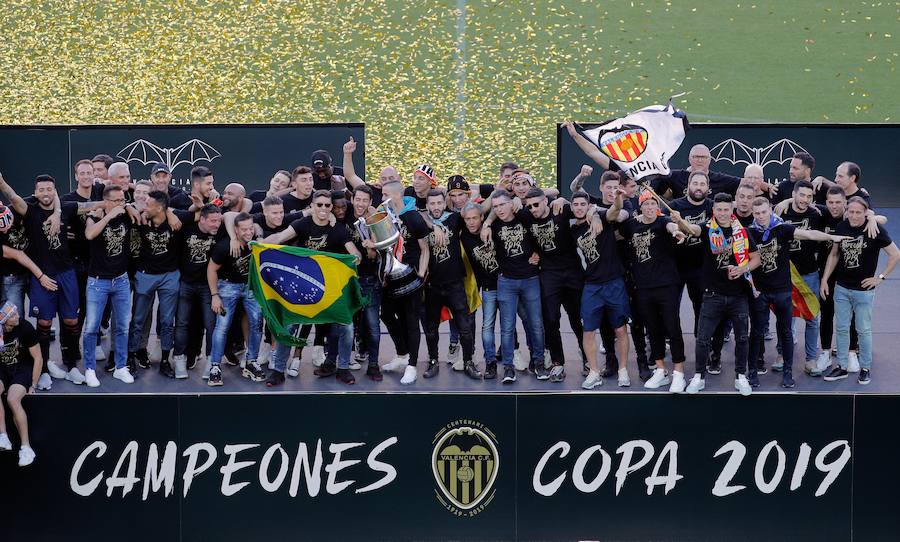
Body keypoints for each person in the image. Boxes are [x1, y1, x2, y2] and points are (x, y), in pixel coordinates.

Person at [1, 173, 103, 388]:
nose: (45, 193)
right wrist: (1, 183)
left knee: (71, 321)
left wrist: (122, 204)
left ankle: (72, 365)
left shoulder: (65, 207)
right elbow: (14, 198)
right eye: (41, 190)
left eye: (50, 189)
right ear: (35, 192)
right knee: (45, 323)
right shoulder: (30, 211)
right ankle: (45, 367)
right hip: (42, 275)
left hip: (67, 273)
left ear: (55, 191)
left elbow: (94, 204)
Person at [747, 197, 848, 389]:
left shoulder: (783, 229)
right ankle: (752, 372)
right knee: (756, 333)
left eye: (763, 212)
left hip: (783, 291)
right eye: (757, 213)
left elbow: (809, 235)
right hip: (760, 293)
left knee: (786, 332)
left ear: (771, 211)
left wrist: (832, 237)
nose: (760, 217)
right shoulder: (749, 232)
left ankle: (787, 373)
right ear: (753, 214)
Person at [262, 191, 362, 385]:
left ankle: (343, 368)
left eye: (327, 205)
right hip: (303, 288)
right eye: (319, 205)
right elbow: (280, 237)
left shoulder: (339, 229)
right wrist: (258, 244)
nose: (323, 209)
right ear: (313, 206)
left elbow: (355, 254)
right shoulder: (302, 224)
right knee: (289, 324)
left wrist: (355, 258)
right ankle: (278, 370)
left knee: (347, 327)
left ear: (331, 208)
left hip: (331, 290)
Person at [672, 192, 761, 396]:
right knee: (703, 338)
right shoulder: (706, 229)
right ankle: (699, 376)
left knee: (742, 338)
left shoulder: (743, 232)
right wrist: (679, 221)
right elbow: (691, 230)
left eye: (726, 209)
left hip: (738, 295)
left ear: (732, 210)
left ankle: (740, 376)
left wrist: (742, 269)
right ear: (714, 211)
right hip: (712, 294)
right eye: (719, 209)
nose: (722, 213)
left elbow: (756, 259)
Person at [821, 197, 899, 385]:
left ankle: (865, 368)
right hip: (841, 288)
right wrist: (825, 279)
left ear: (866, 213)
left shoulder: (874, 229)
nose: (854, 216)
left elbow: (895, 254)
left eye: (858, 212)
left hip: (864, 291)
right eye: (851, 212)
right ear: (847, 211)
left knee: (863, 330)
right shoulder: (842, 227)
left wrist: (880, 278)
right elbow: (834, 254)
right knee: (841, 328)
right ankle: (842, 366)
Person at [616, 191, 689, 392]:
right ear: (640, 206)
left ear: (657, 206)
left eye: (652, 204)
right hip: (642, 287)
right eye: (646, 204)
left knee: (672, 328)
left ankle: (679, 373)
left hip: (666, 285)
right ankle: (660, 370)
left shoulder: (662, 221)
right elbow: (615, 230)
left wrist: (677, 231)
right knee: (653, 329)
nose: (649, 207)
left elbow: (671, 226)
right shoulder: (632, 225)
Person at [521, 187, 588, 383]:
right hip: (549, 273)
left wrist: (565, 200)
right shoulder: (526, 215)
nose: (532, 209)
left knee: (578, 319)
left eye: (536, 205)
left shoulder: (562, 210)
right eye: (529, 206)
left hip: (572, 271)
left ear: (545, 202)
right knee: (550, 319)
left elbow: (583, 207)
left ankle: (586, 357)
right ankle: (558, 363)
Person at [481, 189, 547, 384]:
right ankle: (508, 367)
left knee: (535, 324)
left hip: (530, 279)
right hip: (506, 281)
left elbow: (542, 233)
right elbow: (483, 212)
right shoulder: (492, 225)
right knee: (507, 326)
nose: (499, 209)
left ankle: (539, 362)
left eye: (502, 205)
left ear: (511, 204)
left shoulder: (525, 216)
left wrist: (539, 255)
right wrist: (487, 222)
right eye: (495, 207)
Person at [570, 190, 629, 389]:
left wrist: (617, 198)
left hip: (614, 283)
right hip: (591, 286)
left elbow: (616, 209)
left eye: (582, 204)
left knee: (620, 329)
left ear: (588, 206)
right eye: (575, 205)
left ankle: (623, 370)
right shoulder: (573, 230)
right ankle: (594, 372)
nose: (579, 208)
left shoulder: (602, 217)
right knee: (588, 331)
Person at [421, 190, 480, 380]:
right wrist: (431, 225)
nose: (436, 207)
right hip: (432, 286)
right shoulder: (421, 222)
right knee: (431, 328)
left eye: (439, 203)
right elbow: (406, 212)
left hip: (455, 283)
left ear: (444, 203)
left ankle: (468, 361)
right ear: (427, 205)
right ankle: (433, 361)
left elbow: (480, 209)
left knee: (465, 326)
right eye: (432, 204)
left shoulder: (454, 218)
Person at [377, 181, 432, 385]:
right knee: (387, 314)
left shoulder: (414, 218)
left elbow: (425, 248)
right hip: (392, 277)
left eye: (385, 195)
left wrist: (422, 275)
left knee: (411, 321)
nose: (382, 199)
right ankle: (402, 355)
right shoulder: (386, 218)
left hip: (412, 278)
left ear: (396, 196)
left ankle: (412, 366)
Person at [81, 185, 134, 386]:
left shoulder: (127, 215)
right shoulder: (94, 217)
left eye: (123, 199)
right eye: (118, 200)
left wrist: (129, 208)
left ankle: (120, 367)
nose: (122, 203)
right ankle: (90, 369)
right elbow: (90, 235)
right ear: (107, 201)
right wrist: (108, 215)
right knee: (92, 327)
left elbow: (140, 206)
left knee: (122, 326)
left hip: (121, 279)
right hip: (97, 281)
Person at [206, 212, 265, 386]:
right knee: (222, 325)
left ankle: (251, 361)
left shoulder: (255, 242)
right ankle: (215, 366)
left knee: (256, 322)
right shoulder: (225, 246)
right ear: (236, 231)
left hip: (250, 287)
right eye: (244, 230)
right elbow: (211, 270)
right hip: (228, 287)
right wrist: (215, 295)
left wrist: (259, 236)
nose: (249, 232)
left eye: (250, 228)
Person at [128, 190, 182, 375]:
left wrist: (171, 213)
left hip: (170, 275)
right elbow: (120, 207)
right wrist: (129, 206)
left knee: (167, 321)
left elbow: (197, 211)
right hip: (145, 274)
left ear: (160, 208)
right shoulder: (139, 218)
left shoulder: (174, 220)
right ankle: (131, 358)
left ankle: (165, 361)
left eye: (148, 204)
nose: (144, 207)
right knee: (137, 320)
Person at [773, 180, 825, 373]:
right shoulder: (780, 211)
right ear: (793, 194)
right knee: (785, 318)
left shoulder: (817, 213)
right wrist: (785, 201)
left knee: (812, 317)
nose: (805, 199)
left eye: (809, 196)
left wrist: (870, 216)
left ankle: (811, 359)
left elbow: (841, 207)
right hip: (785, 275)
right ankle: (782, 354)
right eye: (801, 195)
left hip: (810, 274)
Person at [171, 204, 223, 378]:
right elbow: (172, 211)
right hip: (185, 283)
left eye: (218, 221)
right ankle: (179, 359)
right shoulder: (187, 229)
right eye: (213, 221)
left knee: (211, 325)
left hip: (207, 287)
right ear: (202, 219)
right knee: (182, 323)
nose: (217, 224)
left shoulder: (221, 231)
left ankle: (211, 361)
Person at [459, 202, 502, 379]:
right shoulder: (463, 237)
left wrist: (489, 223)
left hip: (508, 282)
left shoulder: (494, 227)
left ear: (482, 218)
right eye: (467, 219)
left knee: (517, 324)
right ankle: (490, 362)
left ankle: (517, 358)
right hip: (487, 287)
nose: (471, 222)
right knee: (487, 325)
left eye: (474, 218)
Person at [345, 185, 383, 381]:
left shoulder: (374, 220)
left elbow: (381, 251)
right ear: (352, 199)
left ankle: (374, 365)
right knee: (344, 324)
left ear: (369, 202)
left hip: (369, 280)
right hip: (347, 279)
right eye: (357, 199)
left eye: (364, 200)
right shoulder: (342, 215)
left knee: (372, 325)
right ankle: (342, 364)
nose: (360, 203)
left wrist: (373, 246)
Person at [0, 302, 41, 466]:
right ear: (4, 320)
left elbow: (38, 357)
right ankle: (3, 436)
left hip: (21, 369)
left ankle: (26, 447)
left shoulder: (25, 327)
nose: (17, 316)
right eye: (13, 315)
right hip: (2, 369)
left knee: (12, 399)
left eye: (16, 312)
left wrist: (33, 384)